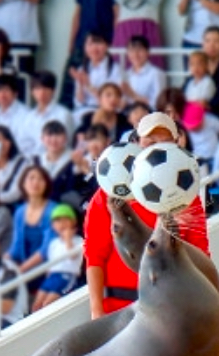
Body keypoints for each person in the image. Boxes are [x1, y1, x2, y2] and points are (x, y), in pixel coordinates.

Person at [83, 113, 210, 318]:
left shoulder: (188, 197)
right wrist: (97, 311)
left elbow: (200, 253)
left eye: (165, 142)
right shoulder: (109, 193)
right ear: (135, 143)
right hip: (119, 308)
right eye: (149, 142)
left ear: (177, 143)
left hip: (171, 308)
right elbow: (94, 255)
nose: (156, 148)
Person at [25, 204, 85, 312]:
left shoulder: (79, 240)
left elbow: (73, 257)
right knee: (37, 305)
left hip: (67, 276)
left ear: (74, 221)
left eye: (65, 219)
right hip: (52, 276)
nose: (61, 224)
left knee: (48, 303)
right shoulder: (54, 243)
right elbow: (51, 263)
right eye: (57, 221)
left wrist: (68, 239)